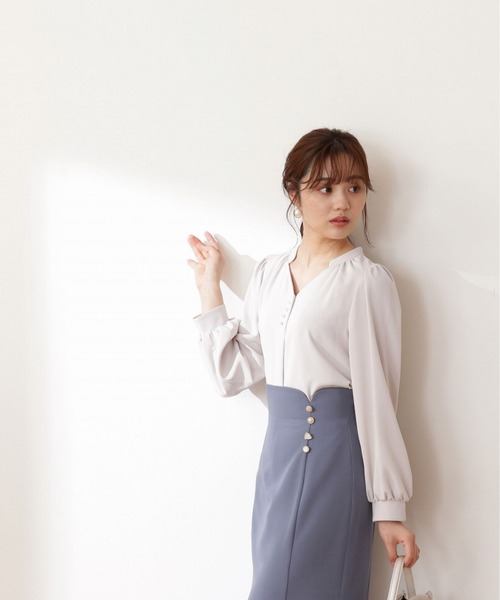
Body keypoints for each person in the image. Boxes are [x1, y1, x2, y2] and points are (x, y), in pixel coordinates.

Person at [187, 128, 419, 600]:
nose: (343, 203)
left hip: (336, 462)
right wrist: (210, 288)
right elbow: (232, 374)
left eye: (354, 187)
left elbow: (378, 399)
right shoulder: (270, 273)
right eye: (325, 188)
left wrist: (389, 508)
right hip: (277, 463)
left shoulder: (367, 282)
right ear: (294, 194)